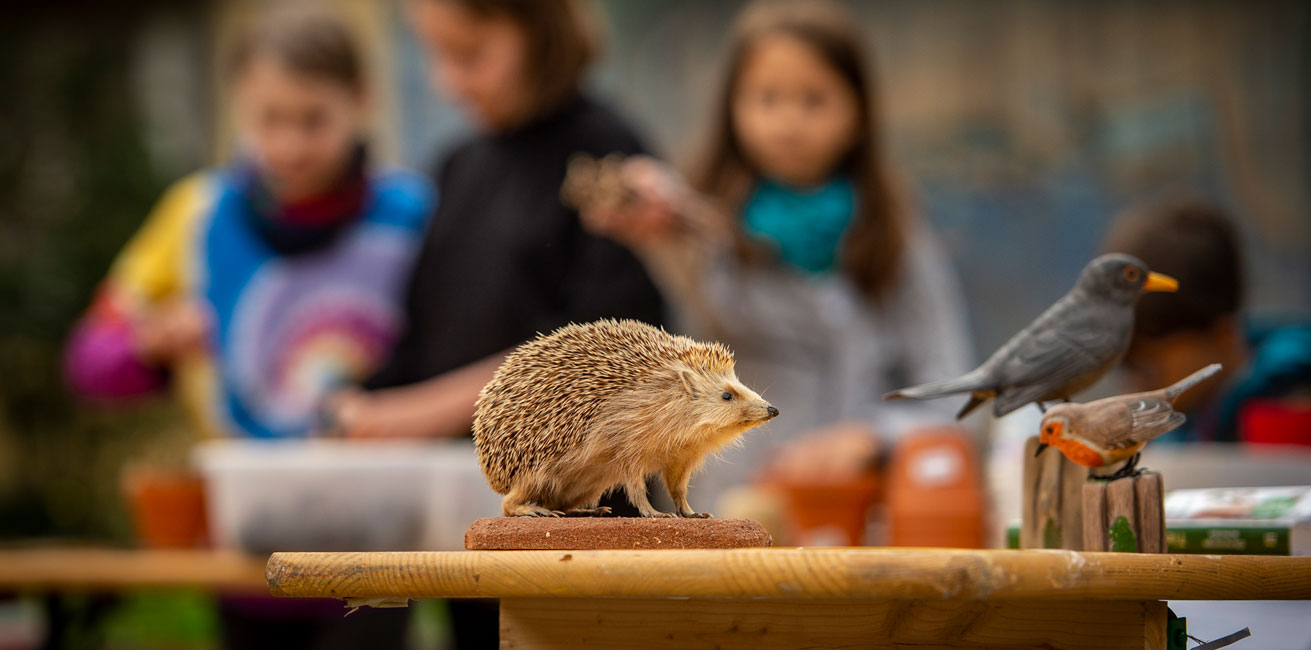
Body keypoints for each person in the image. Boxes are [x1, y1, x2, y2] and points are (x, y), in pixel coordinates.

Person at [63, 9, 431, 648]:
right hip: (243, 544)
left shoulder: (412, 216)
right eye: (268, 121)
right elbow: (89, 361)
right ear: (239, 110)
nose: (289, 145)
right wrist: (148, 343)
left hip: (377, 541)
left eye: (314, 119)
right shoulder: (198, 218)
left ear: (361, 102)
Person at [329, 0, 665, 645]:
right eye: (435, 55)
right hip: (471, 520)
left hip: (587, 527)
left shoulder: (609, 157)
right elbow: (421, 338)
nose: (447, 82)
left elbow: (603, 352)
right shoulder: (459, 166)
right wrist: (356, 405)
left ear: (539, 29)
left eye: (469, 54)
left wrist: (419, 413)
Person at [577, 0, 974, 504]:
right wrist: (646, 203)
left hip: (866, 515)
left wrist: (872, 438)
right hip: (726, 509)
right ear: (732, 108)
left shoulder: (895, 232)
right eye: (766, 98)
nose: (787, 122)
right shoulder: (705, 224)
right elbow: (671, 234)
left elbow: (951, 390)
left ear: (859, 112)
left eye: (813, 100)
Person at [1102, 198, 1311, 444]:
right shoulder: (1181, 422)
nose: (1136, 387)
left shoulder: (1294, 412)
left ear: (1222, 334)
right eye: (1127, 367)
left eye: (1150, 370)